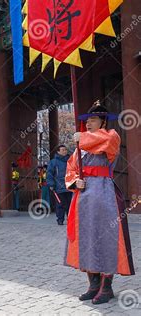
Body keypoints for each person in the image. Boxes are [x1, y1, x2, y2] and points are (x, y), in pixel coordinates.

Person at [65, 102, 135, 305]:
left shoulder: (111, 136)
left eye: (92, 119)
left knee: (106, 238)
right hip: (83, 198)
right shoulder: (82, 149)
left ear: (103, 121)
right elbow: (71, 167)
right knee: (86, 238)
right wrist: (74, 181)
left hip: (104, 196)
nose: (87, 123)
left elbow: (104, 140)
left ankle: (107, 287)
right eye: (86, 120)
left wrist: (82, 139)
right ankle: (93, 284)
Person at [47, 145, 72, 225]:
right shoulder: (53, 162)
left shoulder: (70, 161)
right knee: (60, 203)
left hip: (69, 186)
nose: (65, 151)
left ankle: (70, 219)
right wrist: (51, 184)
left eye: (65, 149)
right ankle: (60, 219)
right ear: (58, 151)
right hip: (58, 186)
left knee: (70, 204)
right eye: (63, 150)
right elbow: (49, 174)